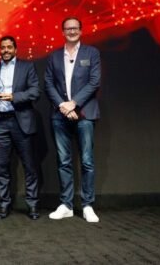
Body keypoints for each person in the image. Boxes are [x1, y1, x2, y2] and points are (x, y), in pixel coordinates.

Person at [44, 17, 101, 223]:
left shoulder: (91, 53)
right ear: (62, 32)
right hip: (60, 114)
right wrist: (64, 106)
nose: (72, 31)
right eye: (68, 29)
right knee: (64, 161)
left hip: (84, 113)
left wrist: (74, 103)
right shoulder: (54, 56)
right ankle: (66, 205)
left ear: (81, 31)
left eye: (75, 28)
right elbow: (48, 84)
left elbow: (94, 82)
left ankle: (87, 205)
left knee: (87, 161)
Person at [0, 36, 41, 220]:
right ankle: (4, 205)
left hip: (22, 122)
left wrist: (13, 97)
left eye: (9, 47)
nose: (6, 50)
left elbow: (35, 92)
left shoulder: (27, 67)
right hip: (1, 122)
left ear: (15, 49)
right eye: (3, 47)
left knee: (29, 166)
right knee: (1, 167)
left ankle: (32, 205)